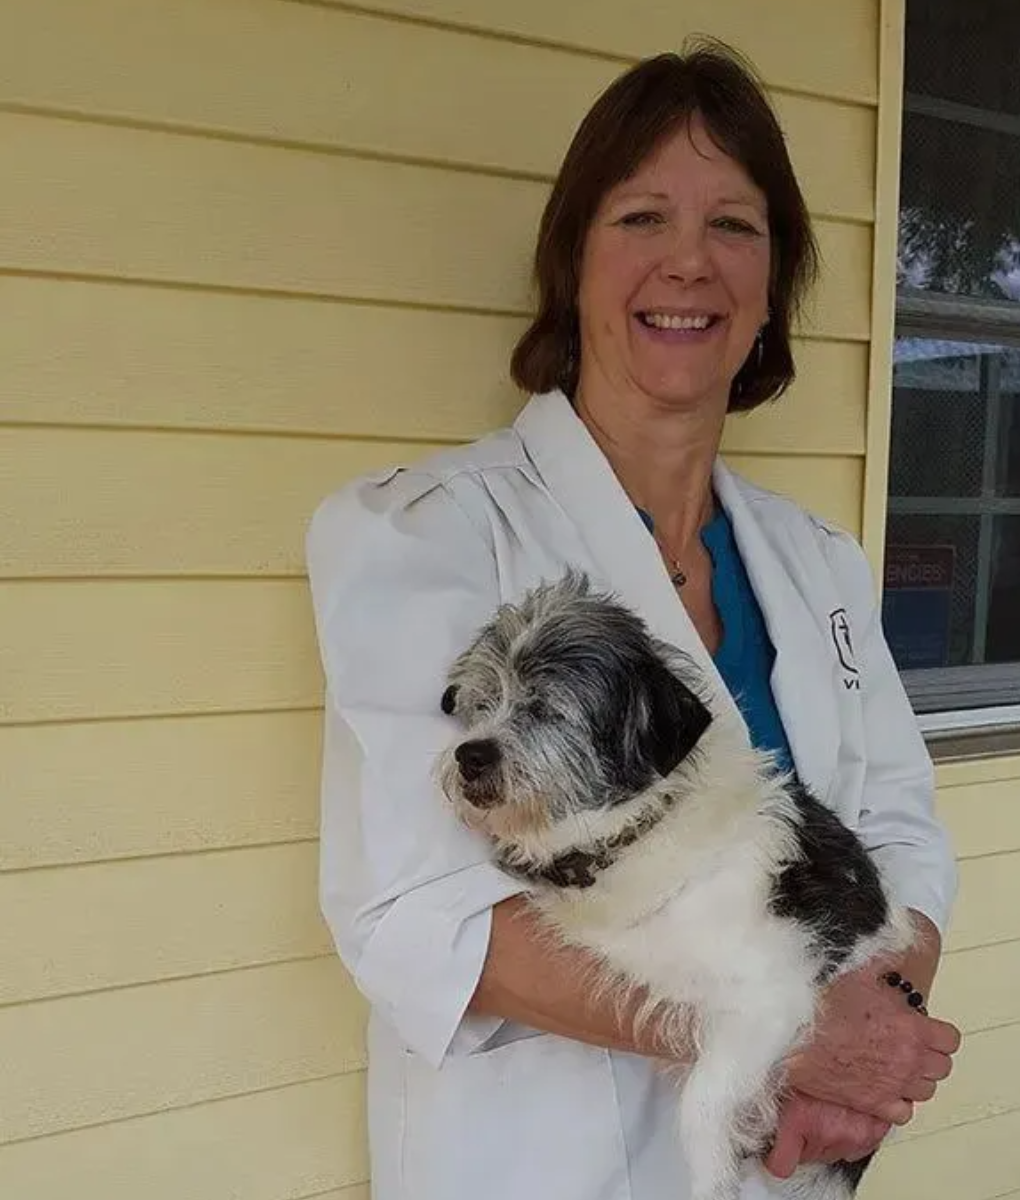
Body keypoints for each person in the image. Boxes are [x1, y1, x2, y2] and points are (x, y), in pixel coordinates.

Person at [306, 41, 961, 1200]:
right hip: (541, 1167)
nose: (688, 265)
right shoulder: (425, 535)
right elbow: (419, 915)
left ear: (774, 285)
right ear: (572, 263)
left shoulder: (818, 566)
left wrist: (876, 1020)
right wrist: (792, 1029)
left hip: (789, 1169)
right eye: (642, 217)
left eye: (736, 227)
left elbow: (900, 828)